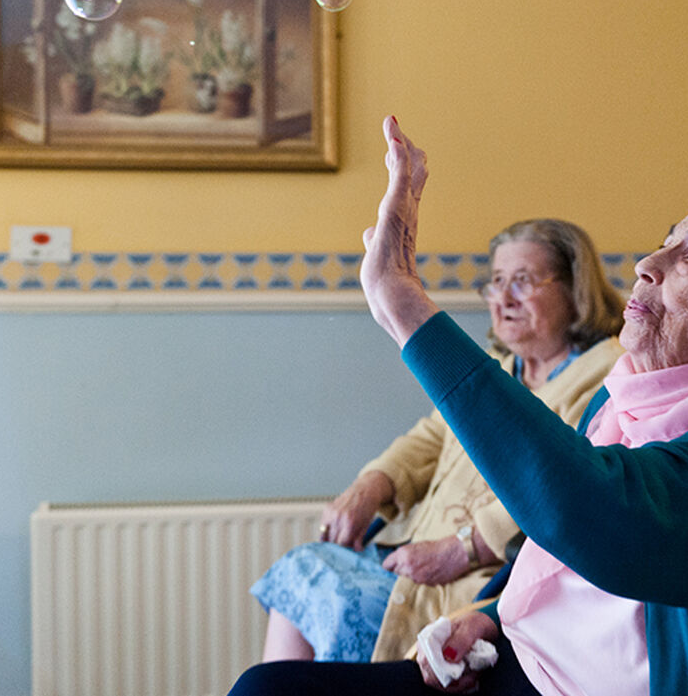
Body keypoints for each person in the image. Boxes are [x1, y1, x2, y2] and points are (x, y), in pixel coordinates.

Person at [229, 117, 688, 696]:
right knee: (268, 686)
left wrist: (403, 306)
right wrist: (490, 616)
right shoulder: (623, 398)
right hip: (521, 665)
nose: (645, 265)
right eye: (666, 243)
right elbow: (549, 554)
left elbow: (603, 518)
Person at [250, 217, 626, 663]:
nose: (503, 299)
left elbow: (569, 486)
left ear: (575, 289)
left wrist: (462, 548)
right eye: (497, 282)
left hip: (479, 580)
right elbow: (431, 437)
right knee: (304, 570)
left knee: (324, 591)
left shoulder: (606, 374)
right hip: (413, 556)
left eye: (522, 282)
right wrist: (371, 485)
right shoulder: (500, 365)